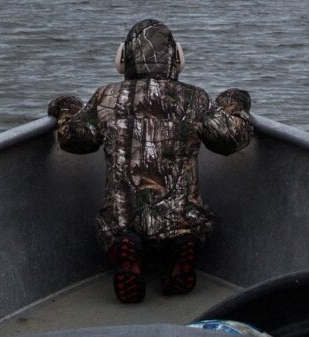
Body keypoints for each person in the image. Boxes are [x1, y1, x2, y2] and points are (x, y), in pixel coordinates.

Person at [47, 19, 253, 303]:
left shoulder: (107, 96)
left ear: (122, 60)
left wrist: (68, 107)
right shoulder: (195, 98)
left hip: (123, 219)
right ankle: (184, 244)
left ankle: (124, 250)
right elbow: (231, 139)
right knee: (190, 224)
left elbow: (72, 140)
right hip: (180, 219)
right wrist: (234, 102)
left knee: (115, 228)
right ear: (177, 60)